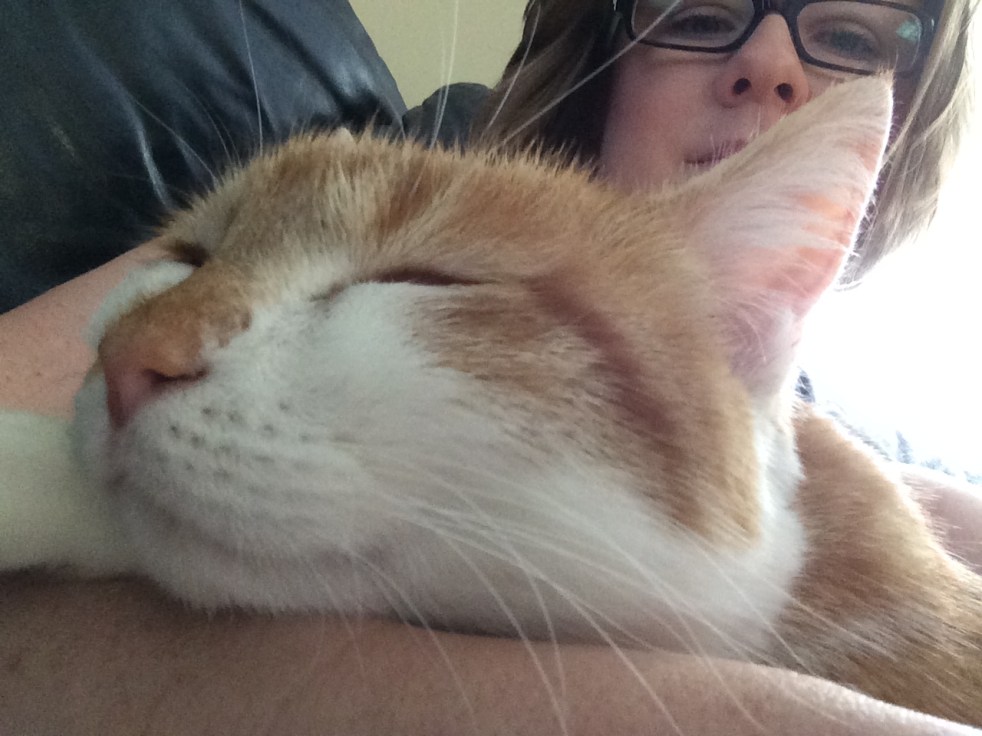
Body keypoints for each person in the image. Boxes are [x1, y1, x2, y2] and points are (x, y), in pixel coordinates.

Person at [2, 1, 981, 735]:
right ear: (601, 51)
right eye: (699, 17)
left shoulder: (852, 442)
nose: (768, 64)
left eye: (848, 37)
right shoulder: (406, 157)